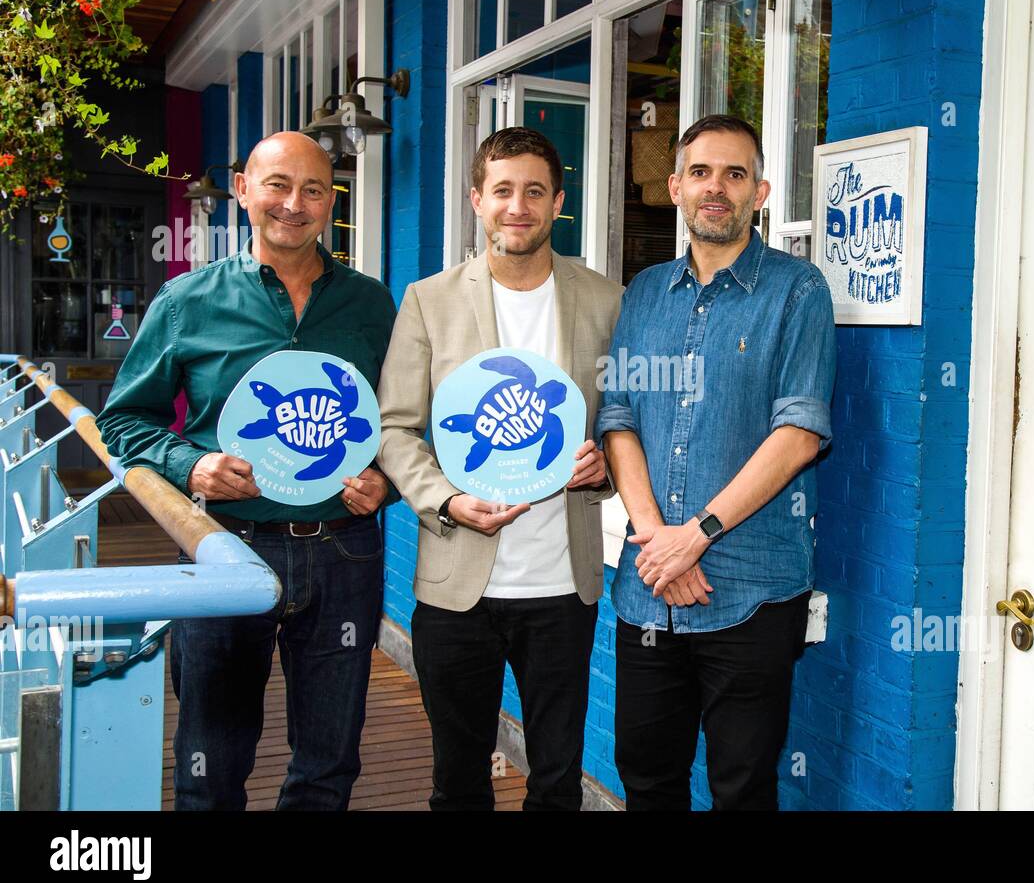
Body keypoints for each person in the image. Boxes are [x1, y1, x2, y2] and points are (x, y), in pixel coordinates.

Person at [97, 131, 398, 810]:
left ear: (330, 202)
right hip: (225, 548)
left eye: (314, 189)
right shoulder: (187, 302)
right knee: (209, 762)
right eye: (277, 185)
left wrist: (390, 481)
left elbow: (406, 421)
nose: (294, 204)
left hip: (344, 550)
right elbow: (122, 421)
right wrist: (192, 462)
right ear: (243, 190)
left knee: (328, 762)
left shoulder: (371, 304)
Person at [595, 114, 836, 810]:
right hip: (648, 589)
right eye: (701, 172)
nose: (717, 188)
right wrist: (656, 541)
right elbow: (620, 419)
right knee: (647, 779)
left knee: (741, 789)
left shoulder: (798, 291)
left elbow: (799, 432)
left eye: (735, 174)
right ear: (675, 187)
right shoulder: (643, 294)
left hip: (753, 591)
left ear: (760, 192)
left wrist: (694, 535)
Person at [378, 127, 622, 810]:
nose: (519, 206)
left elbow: (623, 427)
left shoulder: (606, 302)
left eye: (535, 192)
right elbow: (395, 426)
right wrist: (446, 499)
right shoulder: (429, 299)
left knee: (555, 779)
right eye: (504, 190)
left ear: (558, 203)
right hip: (457, 584)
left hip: (561, 587)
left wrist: (602, 468)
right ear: (477, 200)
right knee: (458, 780)